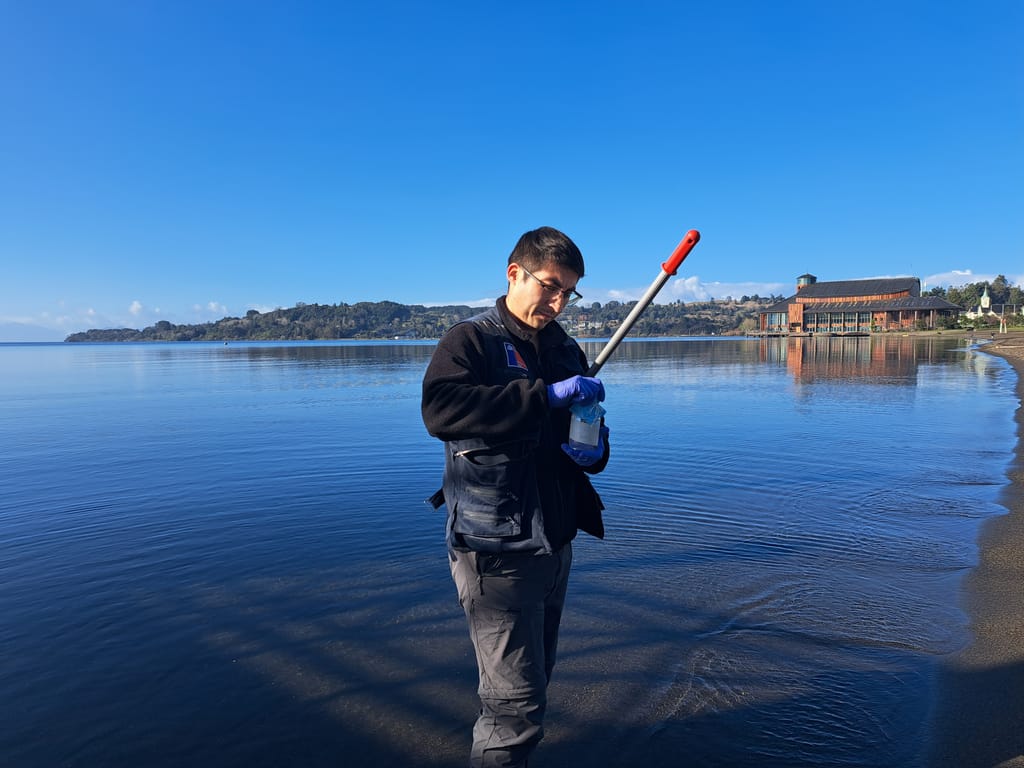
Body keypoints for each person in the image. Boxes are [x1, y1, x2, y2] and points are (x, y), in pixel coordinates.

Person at [421, 226, 610, 767]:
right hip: (494, 549)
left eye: (567, 293)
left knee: (534, 684)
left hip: (554, 542)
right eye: (549, 286)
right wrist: (543, 396)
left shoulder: (564, 348)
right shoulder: (470, 341)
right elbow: (442, 411)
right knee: (513, 706)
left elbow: (591, 429)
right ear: (514, 274)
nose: (556, 303)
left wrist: (593, 446)